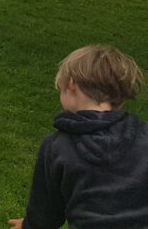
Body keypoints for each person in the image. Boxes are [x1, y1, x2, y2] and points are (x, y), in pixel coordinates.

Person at [8, 44, 148, 229]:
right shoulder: (144, 135)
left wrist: (30, 225)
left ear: (71, 85)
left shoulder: (57, 146)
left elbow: (46, 212)